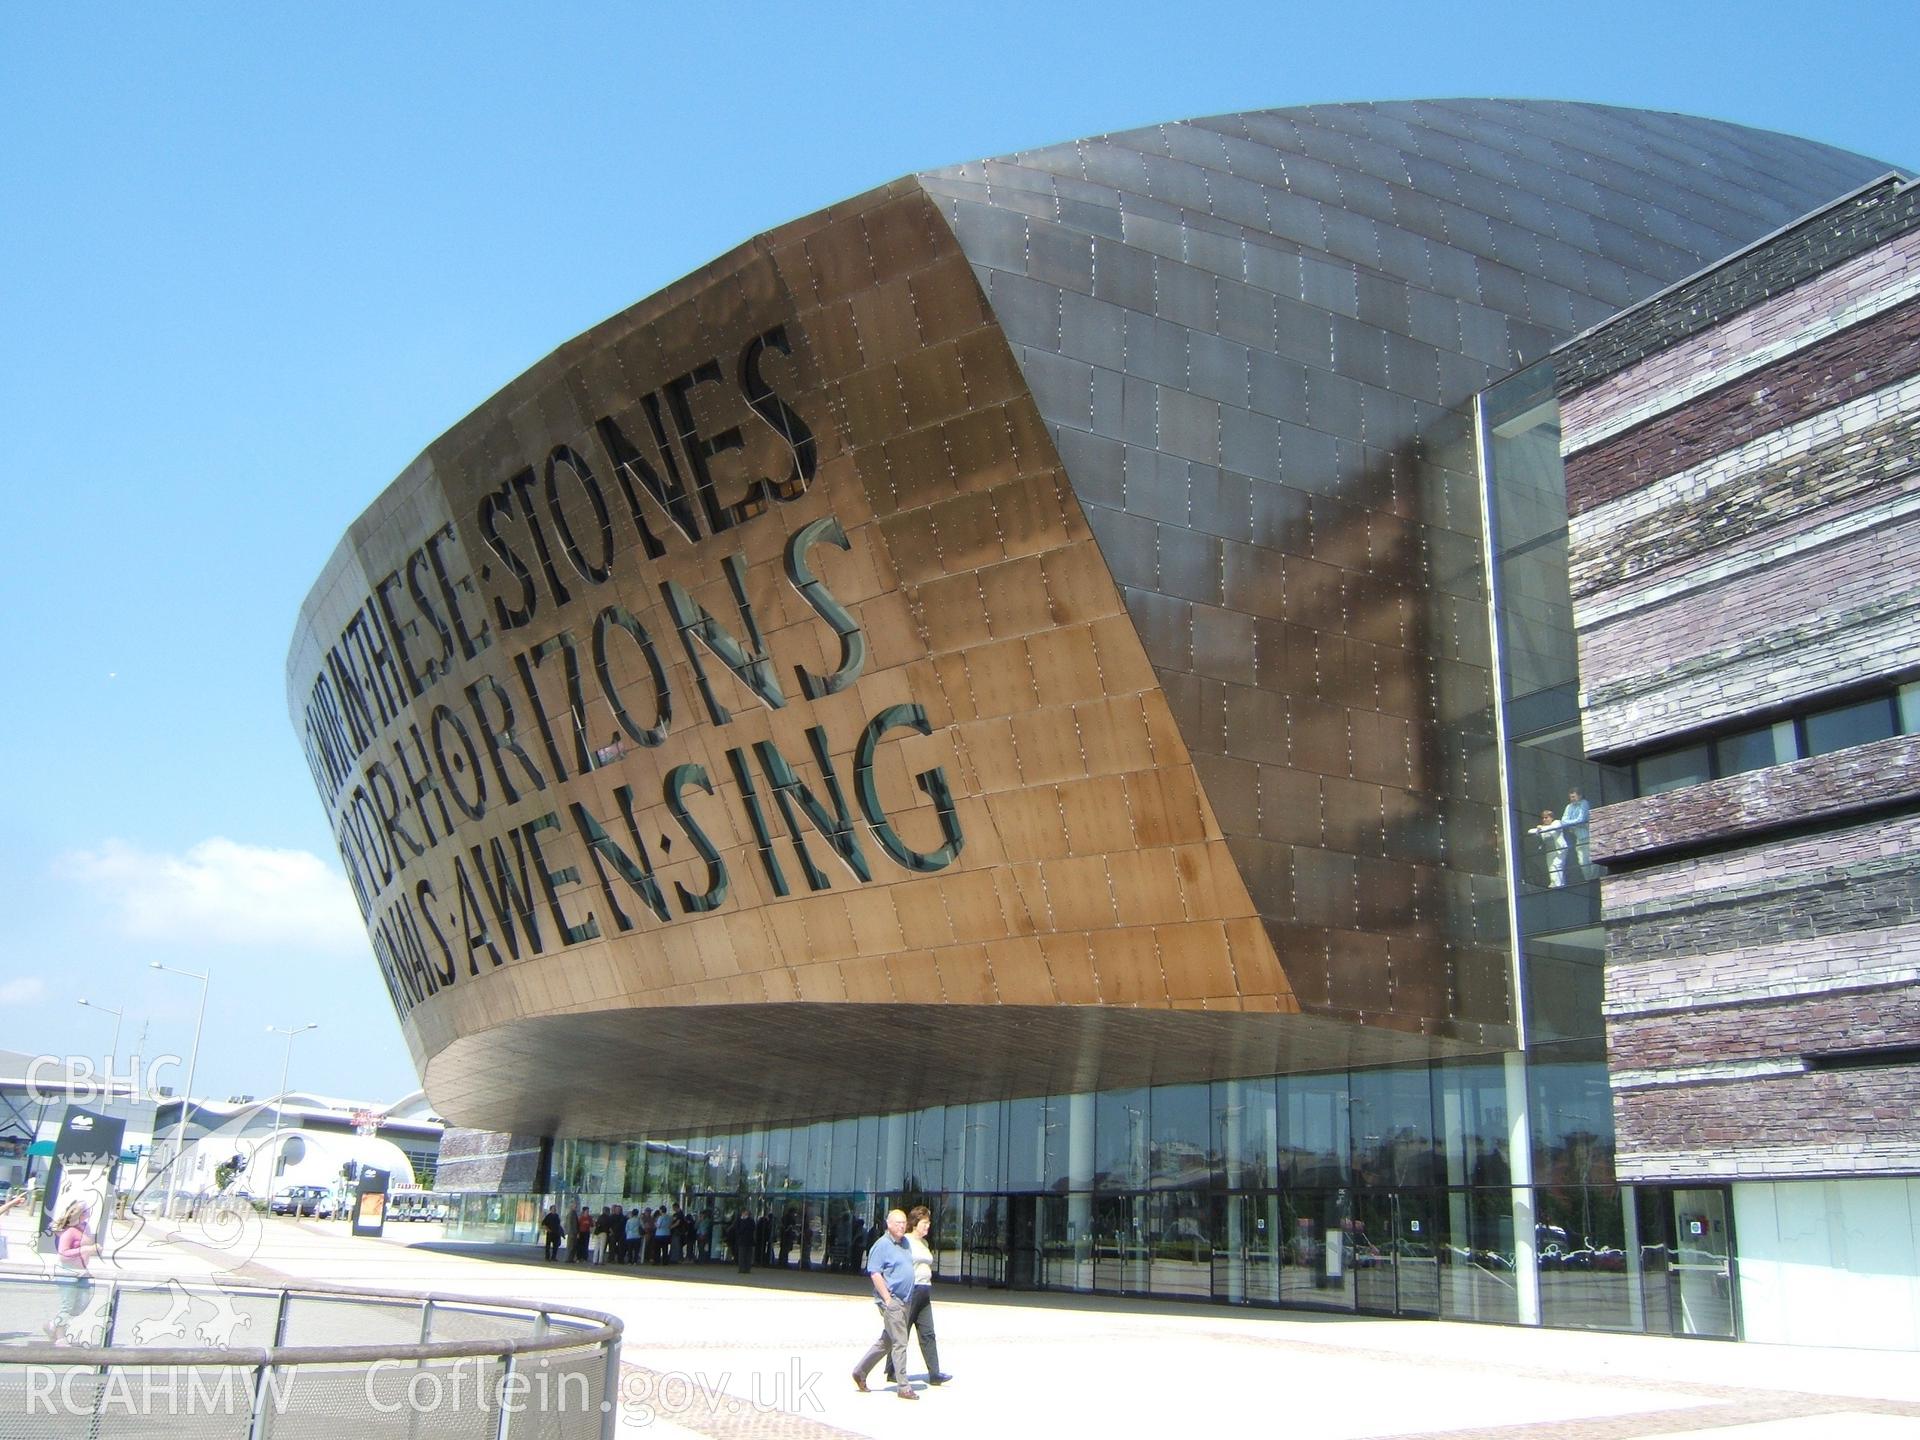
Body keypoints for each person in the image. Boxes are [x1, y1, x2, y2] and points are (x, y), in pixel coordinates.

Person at [851, 1209, 918, 1400]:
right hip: (892, 1300)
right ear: (888, 1224)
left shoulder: (905, 1243)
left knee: (887, 1341)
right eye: (897, 1223)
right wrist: (887, 1300)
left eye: (904, 1222)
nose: (902, 1226)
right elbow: (875, 1273)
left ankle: (860, 1371)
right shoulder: (881, 1246)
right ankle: (903, 1386)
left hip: (906, 1300)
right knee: (900, 1341)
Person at [885, 1205, 951, 1387]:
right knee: (901, 1332)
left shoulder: (925, 1243)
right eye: (924, 1223)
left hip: (925, 1291)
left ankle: (935, 1373)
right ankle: (892, 1370)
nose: (927, 1227)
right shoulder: (905, 1241)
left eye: (929, 1223)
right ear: (915, 1223)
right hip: (910, 1291)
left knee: (928, 1333)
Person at [46, 1200, 100, 1345]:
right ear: (80, 1214)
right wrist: (85, 1249)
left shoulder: (86, 1227)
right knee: (67, 1305)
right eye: (86, 1210)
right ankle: (60, 1336)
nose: (89, 1213)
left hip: (82, 1271)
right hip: (67, 1271)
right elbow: (63, 1253)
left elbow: (86, 1246)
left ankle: (53, 1324)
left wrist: (92, 1250)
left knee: (81, 1304)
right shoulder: (69, 1231)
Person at [1529, 807, 1569, 887]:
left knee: (1556, 865)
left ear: (1551, 817)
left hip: (1559, 849)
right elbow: (1530, 831)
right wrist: (1539, 829)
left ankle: (1558, 885)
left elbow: (1552, 829)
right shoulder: (1542, 828)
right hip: (1550, 851)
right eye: (1543, 818)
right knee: (1551, 868)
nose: (1544, 819)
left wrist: (1541, 829)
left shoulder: (1557, 822)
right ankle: (1555, 884)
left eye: (1546, 817)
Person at [1562, 789, 1592, 878]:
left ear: (1580, 796)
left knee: (1592, 861)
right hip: (1578, 838)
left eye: (1573, 796)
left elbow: (1581, 819)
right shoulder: (1569, 807)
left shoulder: (1584, 803)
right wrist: (1576, 824)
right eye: (1570, 797)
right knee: (1582, 862)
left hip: (1588, 836)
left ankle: (1594, 880)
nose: (1572, 799)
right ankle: (1589, 880)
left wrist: (1571, 824)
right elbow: (1563, 821)